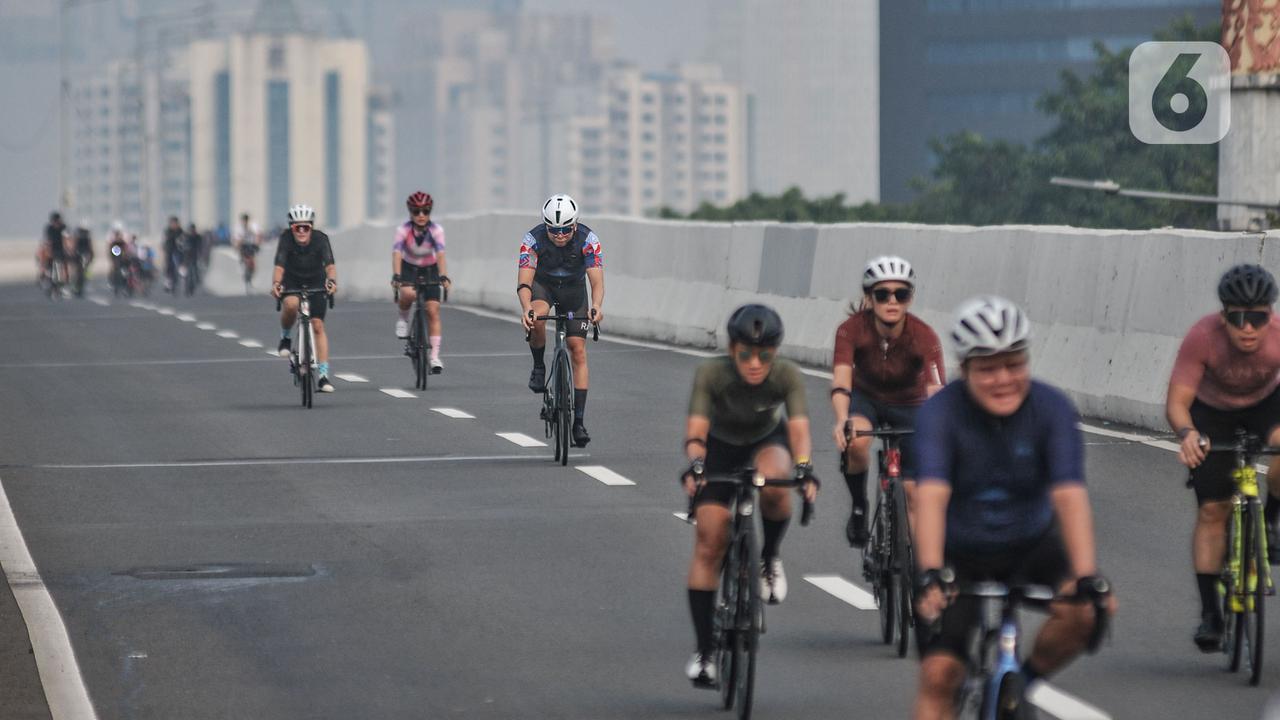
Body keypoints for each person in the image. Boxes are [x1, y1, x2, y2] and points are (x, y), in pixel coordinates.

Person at [912, 296, 1111, 720]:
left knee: (1088, 611)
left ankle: (1021, 683)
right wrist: (930, 571)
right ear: (965, 369)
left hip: (1030, 543)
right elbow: (930, 495)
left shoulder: (1052, 409)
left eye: (1014, 364)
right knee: (939, 676)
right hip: (959, 552)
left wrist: (1085, 575)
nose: (1003, 379)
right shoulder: (940, 414)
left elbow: (1069, 495)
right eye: (987, 369)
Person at [680, 304, 820, 686]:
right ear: (731, 350)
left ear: (775, 352)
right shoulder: (711, 373)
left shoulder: (787, 374)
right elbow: (696, 430)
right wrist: (696, 465)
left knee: (775, 480)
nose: (755, 363)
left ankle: (768, 558)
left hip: (765, 440)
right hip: (719, 447)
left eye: (765, 355)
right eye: (745, 354)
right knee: (710, 539)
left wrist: (804, 467)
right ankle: (705, 653)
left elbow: (799, 429)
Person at [1167, 263, 1280, 652]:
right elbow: (1178, 402)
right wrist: (1188, 434)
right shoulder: (1202, 337)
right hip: (1213, 415)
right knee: (1213, 511)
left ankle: (1271, 520)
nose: (1247, 328)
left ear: (1270, 315)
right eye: (1237, 318)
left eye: (1257, 318)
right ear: (1223, 317)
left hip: (1265, 406)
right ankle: (1211, 615)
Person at [831, 255, 945, 547]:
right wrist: (842, 419)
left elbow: (936, 390)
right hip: (866, 399)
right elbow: (842, 381)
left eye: (901, 294)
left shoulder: (924, 335)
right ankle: (859, 505)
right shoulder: (851, 329)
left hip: (910, 404)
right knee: (856, 442)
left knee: (914, 493)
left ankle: (918, 565)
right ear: (869, 298)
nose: (892, 301)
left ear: (910, 298)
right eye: (882, 294)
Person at [517, 194, 604, 447]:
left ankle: (578, 422)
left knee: (578, 350)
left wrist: (596, 306)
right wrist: (526, 308)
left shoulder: (589, 240)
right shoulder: (532, 240)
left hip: (574, 291)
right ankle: (538, 366)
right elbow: (524, 282)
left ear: (575, 224)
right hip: (543, 287)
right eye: (554, 230)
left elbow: (596, 282)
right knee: (537, 318)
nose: (560, 235)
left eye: (566, 229)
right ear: (546, 226)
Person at [271, 204, 338, 393]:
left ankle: (323, 376)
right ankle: (285, 337)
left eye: (305, 227)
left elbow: (330, 266)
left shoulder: (321, 239)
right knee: (291, 304)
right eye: (297, 227)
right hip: (292, 281)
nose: (301, 231)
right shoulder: (285, 239)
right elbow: (279, 267)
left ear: (311, 227)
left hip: (316, 280)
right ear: (291, 228)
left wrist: (332, 281)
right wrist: (276, 284)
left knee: (318, 325)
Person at [392, 191, 451, 373]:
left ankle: (434, 357)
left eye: (425, 211)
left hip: (430, 268)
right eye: (416, 212)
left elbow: (440, 254)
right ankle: (403, 318)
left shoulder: (436, 230)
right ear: (410, 213)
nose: (421, 215)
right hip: (409, 267)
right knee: (408, 294)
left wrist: (443, 275)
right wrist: (397, 275)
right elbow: (397, 253)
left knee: (433, 310)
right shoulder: (403, 230)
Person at [234, 212, 263, 292]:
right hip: (243, 246)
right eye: (244, 220)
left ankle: (250, 278)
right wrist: (237, 245)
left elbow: (258, 235)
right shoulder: (238, 228)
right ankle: (243, 269)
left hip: (251, 245)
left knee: (253, 264)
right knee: (244, 260)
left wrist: (257, 244)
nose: (245, 222)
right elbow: (236, 239)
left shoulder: (253, 226)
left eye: (246, 220)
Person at [42, 211, 68, 287]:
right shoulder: (49, 228)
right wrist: (48, 251)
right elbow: (48, 241)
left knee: (64, 264)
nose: (56, 223)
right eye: (55, 221)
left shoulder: (63, 227)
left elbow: (66, 239)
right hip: (52, 249)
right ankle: (46, 276)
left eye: (57, 221)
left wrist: (67, 249)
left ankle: (64, 279)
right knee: (48, 263)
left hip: (61, 249)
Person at [72, 219, 94, 297]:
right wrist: (74, 253)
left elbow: (90, 245)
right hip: (78, 253)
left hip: (85, 253)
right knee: (78, 271)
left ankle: (83, 283)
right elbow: (74, 244)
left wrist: (91, 254)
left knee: (85, 270)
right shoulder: (77, 234)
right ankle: (76, 285)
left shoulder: (88, 235)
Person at [162, 215, 182, 292]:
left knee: (180, 263)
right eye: (173, 223)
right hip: (169, 250)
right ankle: (168, 282)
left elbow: (184, 239)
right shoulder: (167, 231)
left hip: (178, 250)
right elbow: (164, 241)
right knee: (168, 266)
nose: (174, 224)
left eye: (175, 223)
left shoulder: (180, 231)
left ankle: (181, 275)